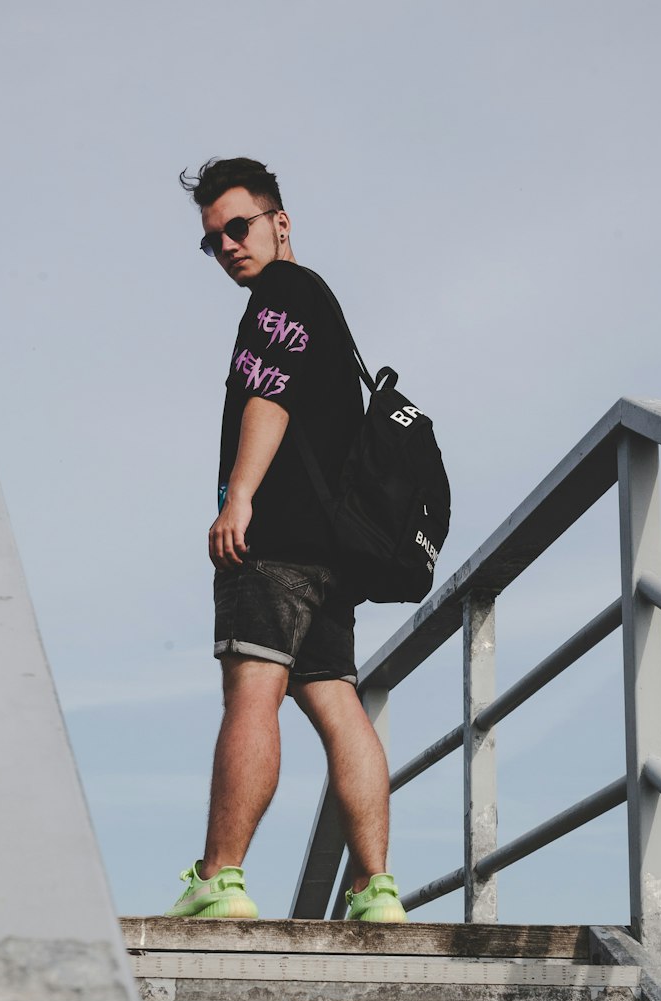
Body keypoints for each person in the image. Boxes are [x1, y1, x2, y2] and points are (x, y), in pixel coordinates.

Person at [165, 156, 406, 923]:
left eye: (239, 226)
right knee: (337, 702)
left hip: (276, 543)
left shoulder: (282, 293)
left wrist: (238, 501)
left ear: (280, 221)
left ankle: (220, 880)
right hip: (331, 555)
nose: (228, 245)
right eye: (213, 240)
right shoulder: (322, 304)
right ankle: (376, 893)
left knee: (251, 692)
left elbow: (269, 396)